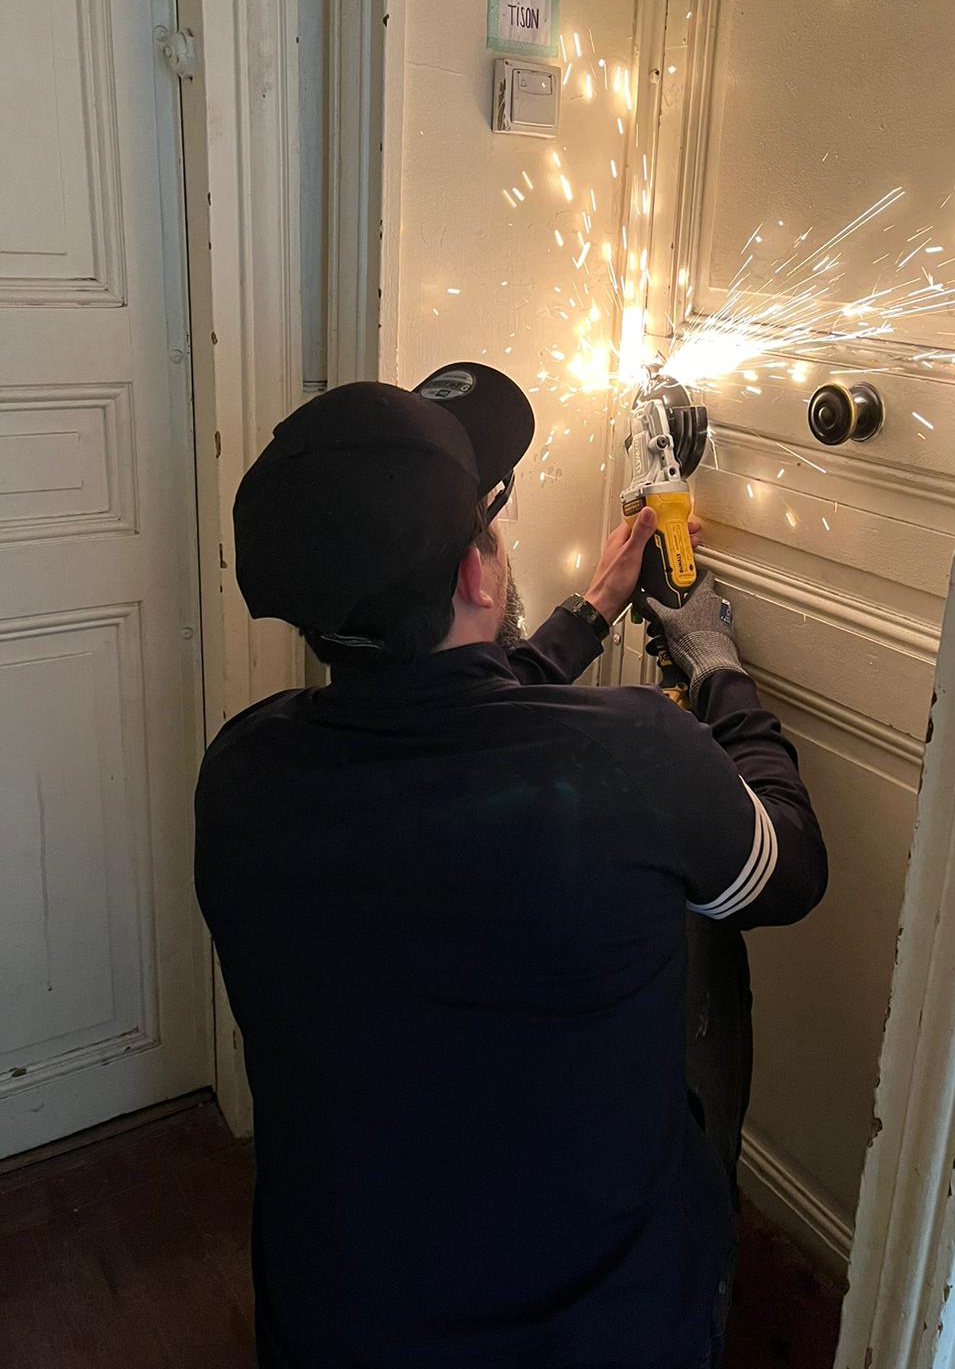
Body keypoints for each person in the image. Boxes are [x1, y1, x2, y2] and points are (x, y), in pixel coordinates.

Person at [194, 365, 827, 1369]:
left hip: (345, 1311)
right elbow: (789, 869)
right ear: (481, 576)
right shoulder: (632, 758)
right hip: (599, 1330)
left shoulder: (244, 769)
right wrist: (717, 668)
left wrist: (590, 608)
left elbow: (458, 724)